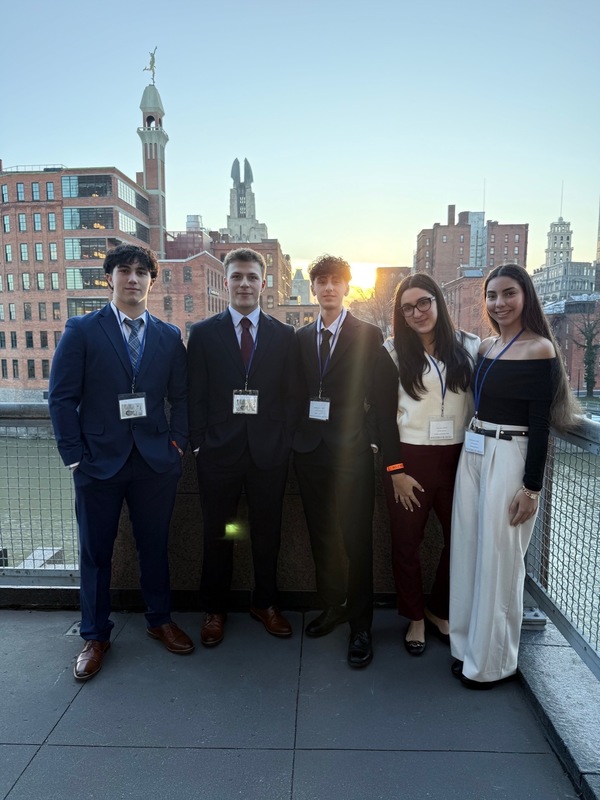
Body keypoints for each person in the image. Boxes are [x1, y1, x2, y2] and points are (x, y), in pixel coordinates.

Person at [48, 244, 194, 682]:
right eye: (124, 271)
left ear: (153, 280)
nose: (133, 279)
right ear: (109, 278)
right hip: (97, 462)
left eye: (141, 272)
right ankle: (94, 635)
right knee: (95, 552)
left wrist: (178, 444)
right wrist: (74, 457)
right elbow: (61, 397)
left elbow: (181, 397)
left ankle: (159, 619)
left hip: (154, 460)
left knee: (155, 545)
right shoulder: (82, 330)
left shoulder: (169, 336)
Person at [449, 263, 579, 689]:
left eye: (509, 294)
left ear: (525, 296)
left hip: (510, 453)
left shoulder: (540, 348)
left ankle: (493, 663)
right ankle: (467, 647)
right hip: (475, 449)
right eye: (492, 296)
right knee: (469, 549)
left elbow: (539, 423)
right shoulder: (486, 346)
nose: (499, 303)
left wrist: (532, 488)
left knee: (500, 559)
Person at [187, 248, 298, 646]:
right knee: (223, 532)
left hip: (268, 454)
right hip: (218, 455)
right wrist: (199, 444)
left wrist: (283, 439)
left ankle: (265, 602)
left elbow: (291, 395)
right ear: (226, 282)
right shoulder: (202, 334)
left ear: (263, 283)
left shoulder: (284, 335)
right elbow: (195, 394)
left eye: (252, 277)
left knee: (267, 532)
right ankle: (214, 609)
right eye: (237, 277)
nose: (245, 284)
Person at [372, 274, 479, 656]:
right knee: (406, 544)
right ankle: (415, 616)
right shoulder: (392, 352)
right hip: (411, 459)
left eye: (424, 303)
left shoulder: (470, 345)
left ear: (438, 302)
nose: (417, 312)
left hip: (459, 458)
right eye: (407, 308)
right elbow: (382, 418)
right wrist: (395, 471)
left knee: (462, 541)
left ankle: (439, 608)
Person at [293, 255, 383, 668]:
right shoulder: (298, 339)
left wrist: (372, 441)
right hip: (310, 451)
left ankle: (361, 624)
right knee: (322, 535)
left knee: (356, 538)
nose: (328, 287)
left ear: (347, 287)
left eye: (336, 281)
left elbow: (381, 398)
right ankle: (333, 605)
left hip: (352, 452)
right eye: (321, 281)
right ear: (313, 288)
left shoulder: (368, 334)